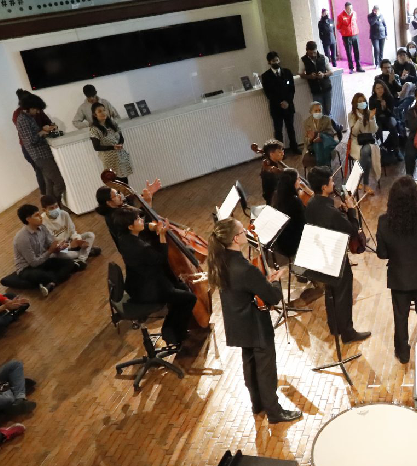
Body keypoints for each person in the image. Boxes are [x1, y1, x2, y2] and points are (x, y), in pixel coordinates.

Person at [206, 218, 302, 423]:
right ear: (235, 238)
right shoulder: (244, 268)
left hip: (236, 322)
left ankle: (257, 404)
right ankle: (275, 413)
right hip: (254, 324)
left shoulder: (221, 261)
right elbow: (273, 297)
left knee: (249, 364)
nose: (246, 234)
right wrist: (274, 282)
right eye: (242, 231)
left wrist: (261, 283)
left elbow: (244, 288)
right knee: (266, 369)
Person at [374, 178, 417, 363]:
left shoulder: (383, 222)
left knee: (400, 317)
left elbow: (382, 254)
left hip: (399, 278)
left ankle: (403, 353)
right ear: (416, 197)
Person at [303, 167, 371, 343]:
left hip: (320, 255)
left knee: (330, 291)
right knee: (343, 294)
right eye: (331, 181)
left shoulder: (312, 203)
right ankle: (348, 333)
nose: (334, 183)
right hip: (335, 257)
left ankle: (335, 327)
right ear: (325, 187)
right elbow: (352, 230)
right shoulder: (331, 213)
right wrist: (351, 210)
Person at [113, 206, 196, 347]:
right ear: (130, 226)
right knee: (189, 298)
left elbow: (144, 227)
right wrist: (162, 235)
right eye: (138, 219)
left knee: (180, 288)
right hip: (150, 290)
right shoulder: (141, 247)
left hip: (136, 286)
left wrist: (152, 226)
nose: (141, 220)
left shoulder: (124, 238)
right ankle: (174, 333)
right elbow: (161, 259)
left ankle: (171, 331)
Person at [12, 204, 76, 296]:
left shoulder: (42, 227)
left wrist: (59, 247)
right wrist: (50, 250)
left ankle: (51, 283)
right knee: (46, 275)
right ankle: (55, 278)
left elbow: (50, 244)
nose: (40, 217)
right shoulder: (22, 238)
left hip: (43, 260)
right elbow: (33, 263)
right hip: (27, 268)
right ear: (28, 219)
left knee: (69, 263)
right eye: (37, 215)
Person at [15, 92, 66, 203]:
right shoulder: (23, 120)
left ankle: (52, 209)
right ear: (30, 107)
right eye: (36, 109)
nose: (38, 112)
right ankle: (55, 206)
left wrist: (44, 131)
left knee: (50, 183)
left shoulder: (28, 117)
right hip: (40, 156)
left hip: (44, 154)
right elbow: (31, 141)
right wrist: (43, 132)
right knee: (59, 182)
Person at [39, 194, 99, 267]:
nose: (55, 209)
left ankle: (81, 259)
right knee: (59, 255)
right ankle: (86, 253)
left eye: (56, 206)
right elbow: (51, 246)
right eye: (51, 208)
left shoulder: (64, 214)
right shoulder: (42, 223)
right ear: (44, 210)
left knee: (90, 235)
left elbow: (72, 231)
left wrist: (77, 239)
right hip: (60, 249)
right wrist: (70, 246)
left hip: (70, 241)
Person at [13, 89, 50, 195]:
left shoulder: (35, 111)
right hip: (30, 147)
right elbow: (29, 137)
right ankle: (45, 195)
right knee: (40, 171)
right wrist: (41, 131)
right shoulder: (20, 116)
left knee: (46, 173)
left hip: (40, 144)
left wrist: (50, 127)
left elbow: (46, 121)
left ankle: (49, 197)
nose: (37, 111)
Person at [261, 52, 299, 154]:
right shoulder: (265, 76)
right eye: (273, 61)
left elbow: (292, 89)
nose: (276, 62)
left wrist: (287, 101)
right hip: (276, 108)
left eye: (277, 60)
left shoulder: (287, 72)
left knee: (291, 128)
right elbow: (268, 93)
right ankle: (280, 152)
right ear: (269, 62)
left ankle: (294, 147)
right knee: (278, 131)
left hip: (288, 106)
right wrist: (280, 103)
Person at [90, 102, 133, 184]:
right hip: (109, 159)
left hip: (120, 156)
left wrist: (120, 144)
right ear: (95, 115)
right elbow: (96, 147)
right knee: (116, 182)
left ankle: (127, 196)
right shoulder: (94, 129)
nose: (103, 113)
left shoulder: (112, 123)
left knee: (124, 180)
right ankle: (119, 197)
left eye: (104, 110)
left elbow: (121, 137)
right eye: (100, 111)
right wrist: (113, 147)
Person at [347, 92, 381, 195]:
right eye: (359, 101)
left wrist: (371, 119)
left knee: (366, 150)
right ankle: (365, 185)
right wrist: (360, 119)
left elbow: (374, 130)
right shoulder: (351, 115)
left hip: (369, 141)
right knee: (367, 158)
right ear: (355, 104)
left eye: (363, 101)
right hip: (357, 141)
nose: (362, 103)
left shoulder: (370, 113)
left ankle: (355, 182)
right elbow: (354, 132)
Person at [270, 168, 307, 260]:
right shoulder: (295, 201)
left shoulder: (276, 195)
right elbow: (302, 224)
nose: (300, 181)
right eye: (298, 179)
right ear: (292, 183)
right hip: (293, 243)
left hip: (281, 241)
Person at [300, 41, 333, 116]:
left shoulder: (323, 57)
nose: (313, 55)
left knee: (328, 110)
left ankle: (331, 126)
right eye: (310, 53)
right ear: (307, 51)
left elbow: (331, 71)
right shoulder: (303, 60)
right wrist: (309, 76)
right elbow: (301, 74)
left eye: (314, 52)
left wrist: (323, 75)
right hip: (315, 90)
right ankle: (330, 126)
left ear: (316, 50)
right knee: (319, 112)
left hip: (327, 88)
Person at [303, 101, 339, 168]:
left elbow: (331, 133)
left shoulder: (327, 119)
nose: (318, 112)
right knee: (317, 144)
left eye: (320, 110)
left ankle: (321, 169)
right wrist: (310, 138)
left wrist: (320, 136)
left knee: (320, 142)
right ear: (311, 112)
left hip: (326, 141)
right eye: (316, 111)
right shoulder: (306, 122)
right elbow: (305, 140)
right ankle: (326, 168)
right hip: (312, 144)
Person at [369, 80, 402, 152]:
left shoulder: (389, 97)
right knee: (378, 127)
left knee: (392, 125)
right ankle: (380, 147)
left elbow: (390, 113)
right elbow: (373, 113)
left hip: (388, 117)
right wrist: (380, 109)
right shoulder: (372, 99)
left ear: (384, 88)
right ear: (374, 90)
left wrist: (384, 108)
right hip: (378, 118)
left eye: (381, 88)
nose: (380, 90)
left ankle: (396, 148)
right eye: (377, 88)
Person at [337, 2, 364, 73]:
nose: (351, 10)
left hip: (355, 35)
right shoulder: (341, 16)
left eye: (351, 8)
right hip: (346, 37)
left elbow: (355, 22)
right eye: (349, 8)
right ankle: (351, 68)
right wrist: (344, 32)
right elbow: (338, 27)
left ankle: (358, 66)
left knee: (357, 51)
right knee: (349, 52)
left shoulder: (354, 13)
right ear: (346, 8)